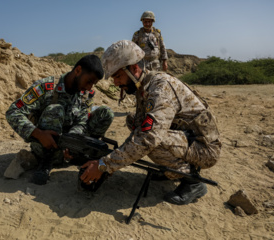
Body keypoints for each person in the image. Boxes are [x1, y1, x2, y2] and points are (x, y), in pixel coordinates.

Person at [80, 40, 221, 205]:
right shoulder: (144, 85)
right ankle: (170, 169)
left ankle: (193, 182)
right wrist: (113, 163)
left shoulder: (161, 87)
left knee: (151, 140)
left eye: (118, 76)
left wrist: (105, 165)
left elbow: (148, 137)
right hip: (187, 138)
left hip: (204, 148)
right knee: (134, 121)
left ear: (134, 68)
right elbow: (139, 129)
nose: (115, 83)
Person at [6, 55, 114, 185]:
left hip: (67, 146)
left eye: (93, 84)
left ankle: (83, 155)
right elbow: (13, 112)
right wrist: (38, 134)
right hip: (44, 143)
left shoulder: (86, 94)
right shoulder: (46, 87)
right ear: (78, 70)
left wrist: (73, 141)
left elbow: (82, 121)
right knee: (56, 109)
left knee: (106, 113)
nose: (90, 87)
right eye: (89, 81)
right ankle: (46, 161)